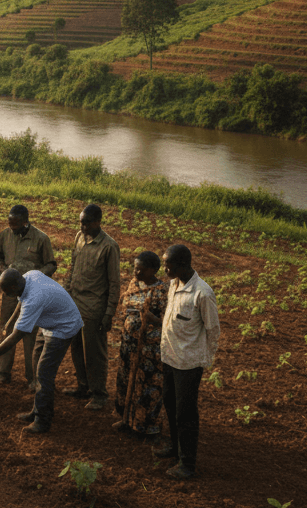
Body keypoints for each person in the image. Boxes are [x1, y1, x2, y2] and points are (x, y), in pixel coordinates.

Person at [0, 269, 84, 434]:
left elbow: (15, 336)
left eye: (6, 291)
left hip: (63, 326)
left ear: (15, 286)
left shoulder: (34, 299)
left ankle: (42, 420)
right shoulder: (28, 277)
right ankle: (36, 410)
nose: (4, 294)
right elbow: (21, 300)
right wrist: (12, 319)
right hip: (50, 321)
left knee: (44, 372)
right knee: (36, 360)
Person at [153, 244, 220, 480]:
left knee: (186, 414)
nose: (164, 268)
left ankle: (187, 463)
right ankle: (174, 448)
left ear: (182, 263)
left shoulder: (203, 293)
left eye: (167, 264)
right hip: (170, 358)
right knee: (170, 405)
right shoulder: (174, 283)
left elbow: (213, 330)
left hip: (189, 364)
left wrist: (203, 359)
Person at [63, 203, 121, 411]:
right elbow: (73, 267)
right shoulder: (80, 238)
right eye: (81, 223)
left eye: (87, 223)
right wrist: (66, 291)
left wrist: (109, 314)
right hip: (74, 303)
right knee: (76, 347)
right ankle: (83, 386)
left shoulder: (109, 246)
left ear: (98, 222)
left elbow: (114, 283)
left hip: (94, 307)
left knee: (95, 353)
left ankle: (99, 394)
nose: (83, 227)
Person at [0, 205, 57, 389]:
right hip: (10, 293)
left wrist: (35, 277)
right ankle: (2, 372)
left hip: (32, 295)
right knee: (7, 328)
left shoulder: (41, 238)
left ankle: (32, 377)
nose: (12, 228)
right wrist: (2, 270)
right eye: (9, 224)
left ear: (25, 222)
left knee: (30, 334)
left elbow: (51, 264)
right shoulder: (4, 235)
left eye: (15, 225)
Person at [113, 251, 168, 438]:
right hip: (129, 344)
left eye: (141, 270)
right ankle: (127, 420)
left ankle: (146, 427)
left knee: (146, 386)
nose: (136, 272)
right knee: (127, 381)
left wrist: (152, 319)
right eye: (135, 268)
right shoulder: (134, 284)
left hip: (149, 349)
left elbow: (168, 321)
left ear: (153, 270)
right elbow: (125, 304)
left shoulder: (161, 291)